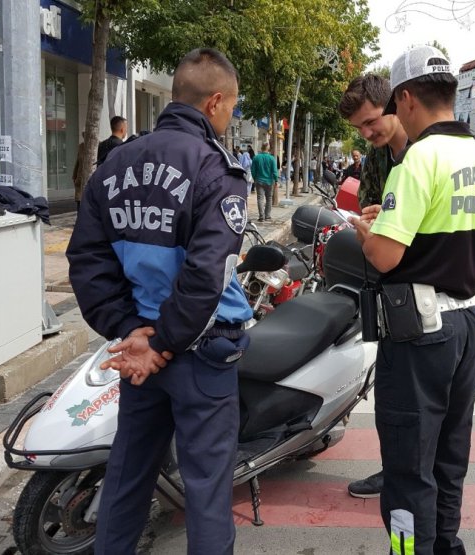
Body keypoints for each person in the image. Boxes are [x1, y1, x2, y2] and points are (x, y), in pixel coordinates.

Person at [66, 48, 252, 555]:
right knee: (207, 491)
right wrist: (162, 343)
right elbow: (205, 277)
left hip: (141, 349)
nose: (230, 116)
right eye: (232, 106)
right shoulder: (217, 172)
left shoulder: (115, 164)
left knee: (129, 474)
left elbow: (86, 261)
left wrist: (132, 332)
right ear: (215, 102)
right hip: (197, 351)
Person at [348, 45, 475, 554]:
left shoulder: (417, 160)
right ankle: (445, 546)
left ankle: (406, 552)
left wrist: (364, 229)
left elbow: (384, 257)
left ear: (406, 98)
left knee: (406, 469)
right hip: (468, 328)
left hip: (420, 336)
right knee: (448, 457)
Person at [338, 72, 410, 499]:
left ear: (397, 106)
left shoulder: (427, 152)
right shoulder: (377, 156)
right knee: (392, 391)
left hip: (435, 294)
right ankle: (396, 472)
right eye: (359, 129)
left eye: (371, 122)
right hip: (394, 286)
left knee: (427, 403)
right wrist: (374, 215)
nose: (367, 133)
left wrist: (393, 214)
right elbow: (373, 205)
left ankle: (417, 487)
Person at [251, 142, 279, 221]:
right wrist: (276, 180)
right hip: (269, 182)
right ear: (268, 148)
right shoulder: (272, 158)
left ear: (261, 148)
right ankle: (267, 216)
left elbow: (253, 170)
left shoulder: (256, 158)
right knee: (269, 198)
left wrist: (255, 178)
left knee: (260, 198)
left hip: (259, 181)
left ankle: (261, 216)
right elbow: (274, 171)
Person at [71, 131, 86, 212]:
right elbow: (78, 162)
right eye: (83, 135)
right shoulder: (81, 146)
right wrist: (74, 176)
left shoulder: (99, 145)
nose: (84, 137)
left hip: (92, 179)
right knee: (79, 202)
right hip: (80, 178)